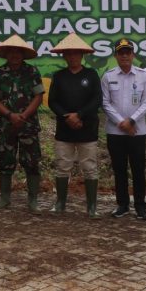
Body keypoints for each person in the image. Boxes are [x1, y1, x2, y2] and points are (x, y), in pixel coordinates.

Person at [0, 34, 44, 214]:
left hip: (29, 125)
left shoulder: (32, 72)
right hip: (7, 125)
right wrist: (10, 115)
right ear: (6, 54)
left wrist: (24, 115)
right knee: (5, 162)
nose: (14, 55)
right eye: (11, 52)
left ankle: (33, 200)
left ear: (23, 54)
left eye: (18, 52)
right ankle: (5, 198)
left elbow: (39, 96)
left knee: (32, 162)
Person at [47, 33, 101, 218]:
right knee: (62, 166)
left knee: (90, 167)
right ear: (64, 56)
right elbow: (52, 101)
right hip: (64, 130)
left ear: (82, 55)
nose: (72, 57)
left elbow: (97, 99)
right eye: (68, 54)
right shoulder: (59, 76)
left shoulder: (91, 75)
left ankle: (92, 206)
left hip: (87, 129)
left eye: (76, 54)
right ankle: (60, 202)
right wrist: (66, 116)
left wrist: (79, 115)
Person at [101, 38, 146, 220]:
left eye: (128, 52)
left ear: (133, 55)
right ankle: (122, 204)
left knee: (138, 169)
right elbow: (105, 103)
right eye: (121, 52)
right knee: (119, 169)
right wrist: (121, 122)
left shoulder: (143, 76)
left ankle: (140, 206)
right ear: (115, 56)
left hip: (137, 131)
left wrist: (131, 121)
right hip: (115, 132)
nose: (124, 56)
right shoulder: (108, 76)